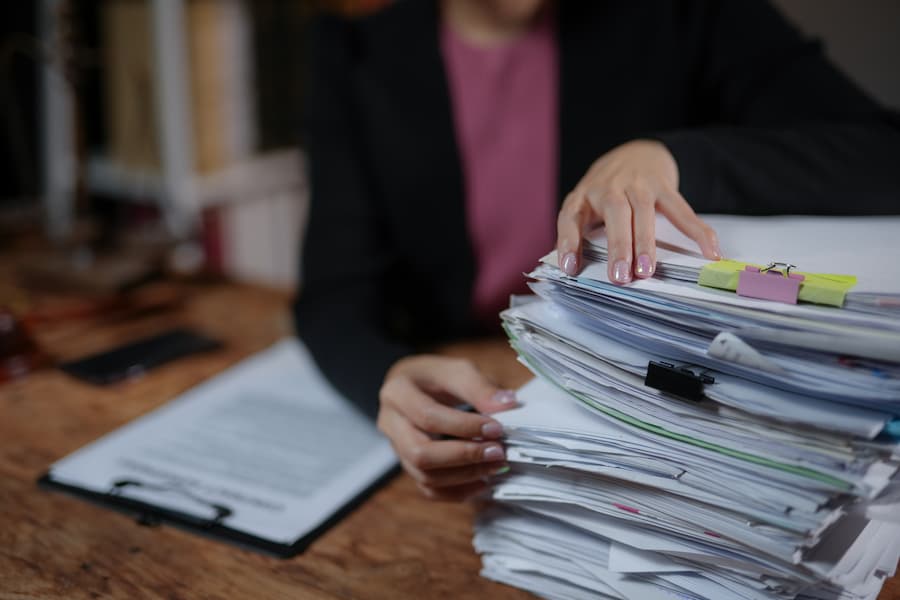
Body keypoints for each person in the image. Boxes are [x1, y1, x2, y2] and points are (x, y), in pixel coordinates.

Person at [294, 0, 900, 502]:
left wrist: (676, 158)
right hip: (482, 409)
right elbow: (334, 294)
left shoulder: (689, 16)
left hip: (666, 403)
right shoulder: (355, 54)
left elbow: (882, 155)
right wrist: (384, 374)